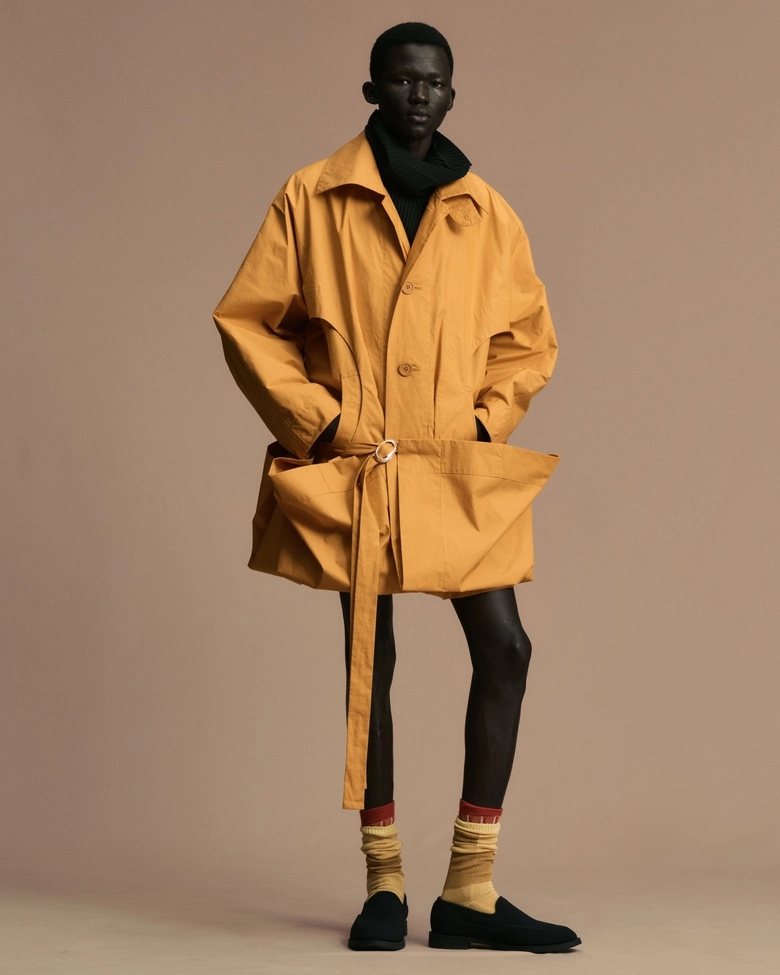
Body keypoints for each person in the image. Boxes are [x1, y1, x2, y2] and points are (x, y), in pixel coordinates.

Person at [213, 21, 581, 953]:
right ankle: (384, 882)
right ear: (372, 89)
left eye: (435, 81)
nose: (420, 95)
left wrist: (484, 424)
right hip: (361, 465)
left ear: (453, 94)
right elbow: (249, 321)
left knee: (506, 648)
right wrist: (321, 422)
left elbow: (528, 339)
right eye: (404, 80)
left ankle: (471, 886)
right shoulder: (312, 196)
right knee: (369, 662)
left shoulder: (485, 210)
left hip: (454, 468)